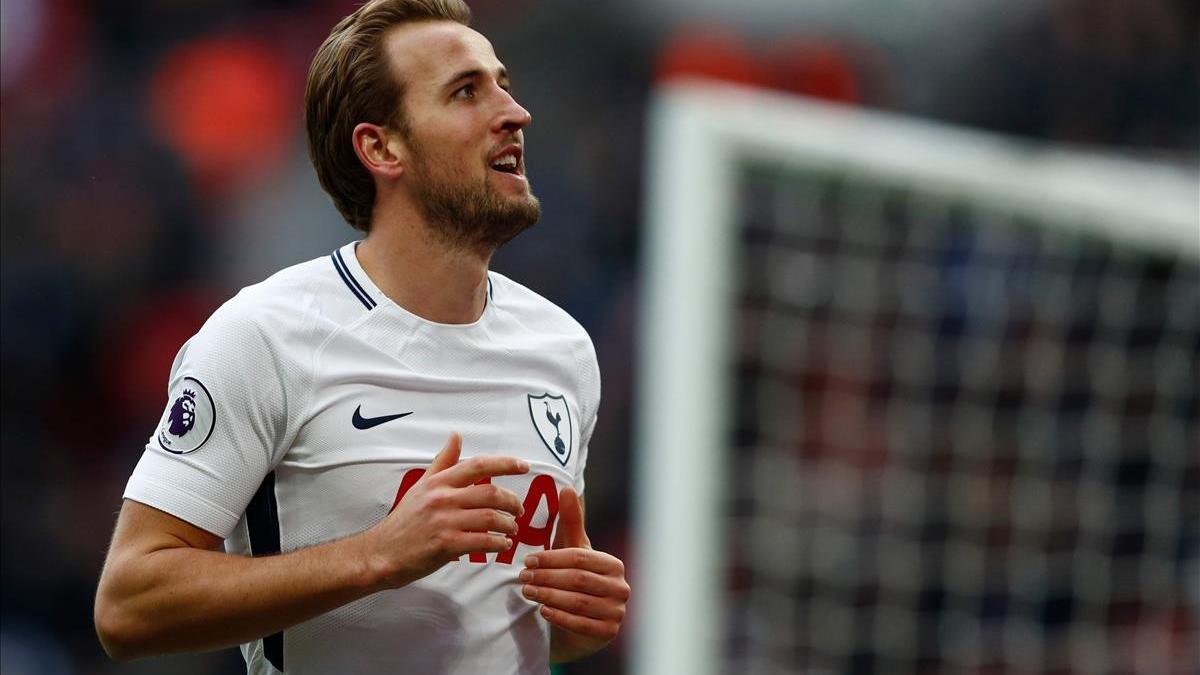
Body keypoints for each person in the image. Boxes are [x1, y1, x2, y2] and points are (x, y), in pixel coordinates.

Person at [93, 1, 629, 672]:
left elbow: (491, 623)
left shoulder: (564, 350)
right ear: (381, 148)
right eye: (466, 91)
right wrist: (377, 553)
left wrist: (573, 622)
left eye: (504, 85)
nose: (513, 113)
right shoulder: (264, 336)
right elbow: (128, 604)